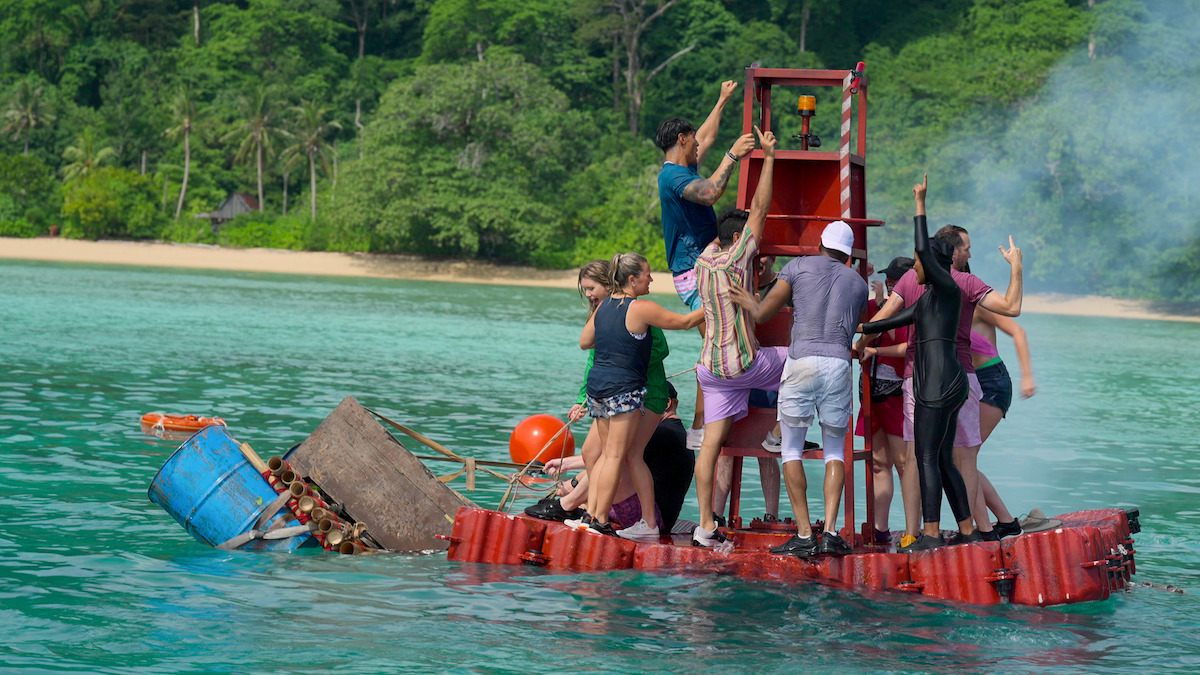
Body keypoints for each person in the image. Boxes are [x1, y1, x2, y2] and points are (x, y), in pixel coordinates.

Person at [858, 174, 1023, 552]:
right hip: (957, 379)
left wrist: (920, 203)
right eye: (967, 248)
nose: (969, 253)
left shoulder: (950, 285)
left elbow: (889, 314)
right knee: (956, 457)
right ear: (954, 253)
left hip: (931, 382)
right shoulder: (951, 286)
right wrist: (865, 335)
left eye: (919, 260)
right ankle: (974, 531)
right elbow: (892, 319)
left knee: (930, 456)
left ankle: (935, 532)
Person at [729, 220, 869, 558]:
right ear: (848, 255)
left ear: (820, 242)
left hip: (802, 361)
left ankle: (805, 535)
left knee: (790, 450)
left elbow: (762, 313)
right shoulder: (858, 283)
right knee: (835, 451)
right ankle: (832, 533)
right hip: (838, 364)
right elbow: (855, 329)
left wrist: (747, 299)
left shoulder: (798, 266)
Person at [689, 126, 786, 550]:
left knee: (711, 446)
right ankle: (781, 431)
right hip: (745, 364)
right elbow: (760, 209)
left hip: (710, 370)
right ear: (736, 238)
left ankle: (705, 525)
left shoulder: (703, 260)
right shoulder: (736, 257)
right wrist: (769, 159)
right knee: (807, 360)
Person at [566, 253, 703, 538]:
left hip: (597, 390)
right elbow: (686, 322)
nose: (651, 279)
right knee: (617, 456)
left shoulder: (602, 307)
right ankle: (599, 520)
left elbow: (585, 342)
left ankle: (593, 515)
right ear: (632, 279)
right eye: (647, 274)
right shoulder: (640, 308)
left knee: (607, 456)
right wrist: (720, 305)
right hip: (623, 390)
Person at [525, 259, 669, 528]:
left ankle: (592, 511)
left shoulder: (633, 310)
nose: (588, 295)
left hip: (640, 392)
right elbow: (592, 359)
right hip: (610, 392)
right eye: (585, 290)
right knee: (592, 451)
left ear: (608, 285)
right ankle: (589, 508)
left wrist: (624, 358)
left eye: (591, 288)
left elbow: (659, 349)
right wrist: (582, 398)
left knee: (615, 455)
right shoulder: (602, 313)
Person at [656, 81, 757, 451]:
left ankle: (710, 421)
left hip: (703, 268)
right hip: (693, 273)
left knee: (715, 347)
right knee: (713, 349)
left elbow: (707, 135)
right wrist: (733, 155)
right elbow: (712, 191)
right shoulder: (674, 177)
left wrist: (722, 100)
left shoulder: (684, 162)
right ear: (682, 140)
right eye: (693, 140)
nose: (699, 142)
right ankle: (701, 427)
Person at [535, 384, 694, 534]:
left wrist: (569, 466)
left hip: (648, 517)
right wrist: (566, 463)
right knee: (603, 465)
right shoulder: (673, 430)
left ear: (665, 403)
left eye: (643, 404)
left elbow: (611, 456)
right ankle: (570, 498)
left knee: (609, 462)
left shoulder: (662, 433)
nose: (639, 412)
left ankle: (567, 505)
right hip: (658, 516)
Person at [856, 257, 918, 545]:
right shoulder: (875, 307)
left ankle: (911, 530)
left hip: (896, 394)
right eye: (889, 280)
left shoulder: (914, 311)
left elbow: (905, 346)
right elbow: (858, 322)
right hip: (871, 393)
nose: (891, 285)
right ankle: (880, 529)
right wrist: (860, 279)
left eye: (895, 281)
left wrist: (887, 307)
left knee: (904, 463)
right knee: (879, 463)